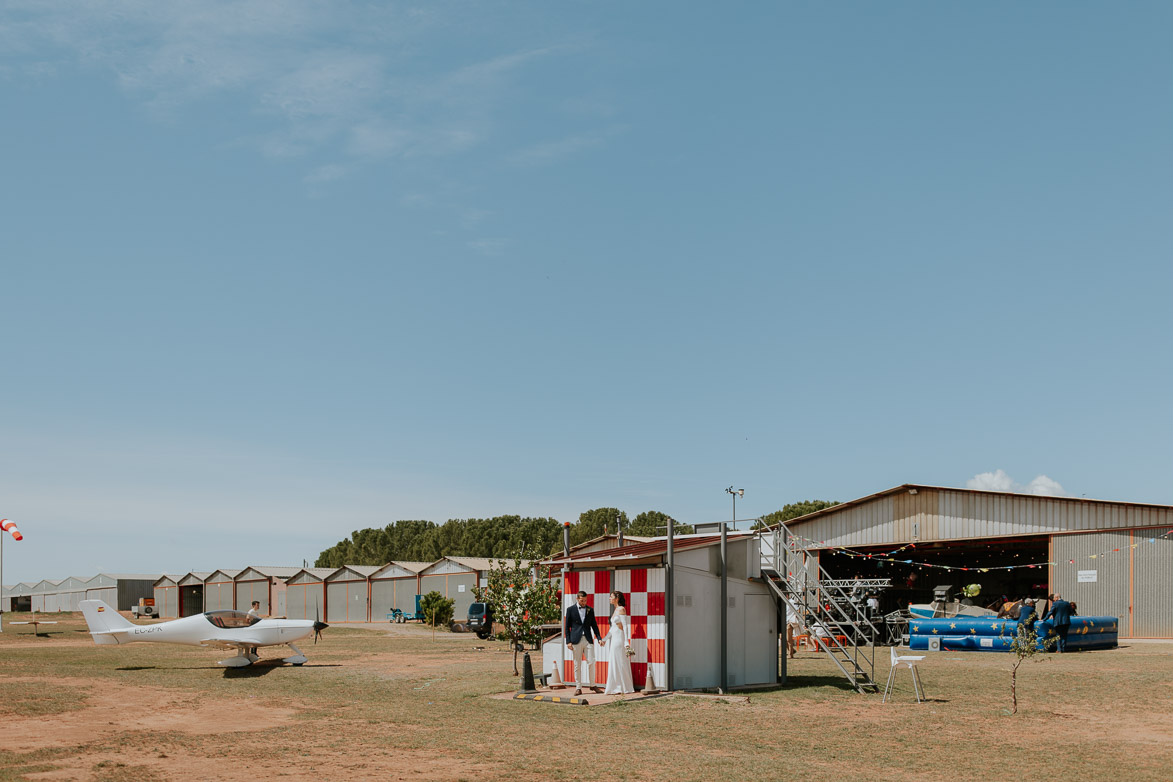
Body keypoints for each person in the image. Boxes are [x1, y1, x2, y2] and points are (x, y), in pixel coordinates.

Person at [564, 590, 602, 696]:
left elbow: (594, 625)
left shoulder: (590, 610)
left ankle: (593, 685)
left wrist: (598, 637)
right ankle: (578, 687)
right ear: (577, 599)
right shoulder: (570, 610)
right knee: (577, 664)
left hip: (588, 639)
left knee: (592, 661)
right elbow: (567, 627)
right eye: (582, 601)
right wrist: (568, 641)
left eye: (585, 600)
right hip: (575, 639)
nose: (584, 603)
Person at [602, 591, 635, 695]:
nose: (609, 598)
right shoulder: (616, 610)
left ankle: (625, 687)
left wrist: (626, 642)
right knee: (614, 662)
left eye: (611, 597)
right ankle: (616, 687)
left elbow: (625, 626)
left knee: (620, 662)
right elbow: (613, 628)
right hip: (614, 639)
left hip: (619, 639)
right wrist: (605, 639)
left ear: (617, 598)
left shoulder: (621, 609)